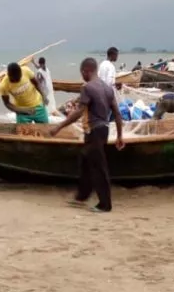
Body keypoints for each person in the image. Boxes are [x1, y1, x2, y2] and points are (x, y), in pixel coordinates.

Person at [49, 58, 124, 213]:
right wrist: (119, 136)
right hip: (104, 130)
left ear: (86, 71)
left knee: (99, 167)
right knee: (85, 158)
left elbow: (78, 113)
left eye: (82, 73)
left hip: (94, 131)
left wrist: (58, 127)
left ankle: (105, 204)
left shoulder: (88, 88)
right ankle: (82, 195)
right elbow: (117, 113)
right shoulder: (107, 88)